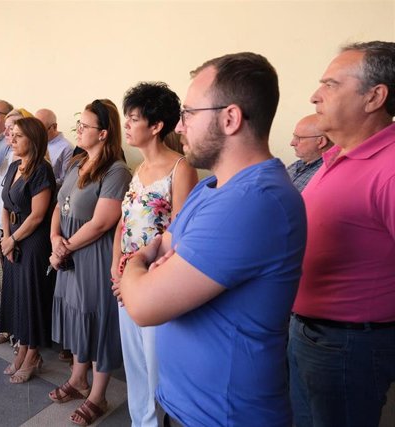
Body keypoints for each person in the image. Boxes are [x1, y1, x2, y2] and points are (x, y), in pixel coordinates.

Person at [119, 53, 306, 426]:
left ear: (230, 118)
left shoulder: (253, 200)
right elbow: (163, 247)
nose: (181, 126)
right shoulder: (210, 188)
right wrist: (152, 259)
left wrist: (139, 263)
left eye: (189, 113)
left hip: (223, 415)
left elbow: (142, 304)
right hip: (185, 406)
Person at [288, 41, 395, 427]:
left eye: (331, 85)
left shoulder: (390, 168)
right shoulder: (338, 155)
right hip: (309, 332)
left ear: (374, 97)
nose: (316, 95)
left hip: (349, 345)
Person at [110, 82, 198, 427]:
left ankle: (157, 422)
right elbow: (123, 222)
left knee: (155, 363)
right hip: (126, 279)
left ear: (157, 126)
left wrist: (141, 277)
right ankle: (140, 422)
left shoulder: (181, 169)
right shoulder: (137, 170)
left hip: (155, 280)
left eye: (133, 119)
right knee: (133, 364)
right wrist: (117, 272)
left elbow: (179, 234)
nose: (127, 125)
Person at [49, 99, 132, 426]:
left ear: (104, 133)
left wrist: (64, 247)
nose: (78, 130)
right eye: (78, 124)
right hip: (68, 252)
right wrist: (55, 240)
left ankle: (98, 395)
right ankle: (78, 379)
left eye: (85, 126)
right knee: (75, 314)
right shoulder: (75, 162)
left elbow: (101, 222)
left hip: (93, 255)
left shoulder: (117, 171)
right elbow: (59, 205)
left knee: (96, 320)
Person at [0, 117, 56, 383]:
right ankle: (22, 347)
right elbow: (6, 206)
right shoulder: (14, 166)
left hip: (33, 241)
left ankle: (32, 353)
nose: (11, 138)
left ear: (33, 140)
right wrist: (6, 237)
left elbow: (37, 216)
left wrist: (13, 240)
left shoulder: (41, 170)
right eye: (12, 134)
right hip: (13, 237)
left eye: (18, 135)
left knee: (31, 298)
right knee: (17, 295)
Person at [0, 108, 33, 345]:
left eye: (15, 127)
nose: (9, 132)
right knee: (3, 282)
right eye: (7, 128)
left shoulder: (33, 161)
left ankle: (20, 333)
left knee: (19, 285)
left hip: (21, 232)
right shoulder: (8, 156)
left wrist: (10, 237)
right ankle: (5, 325)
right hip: (2, 226)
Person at [286, 114, 333, 192]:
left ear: (321, 142)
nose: (292, 143)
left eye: (299, 138)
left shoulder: (326, 176)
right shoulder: (296, 165)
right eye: (294, 136)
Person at [35, 108, 73, 187]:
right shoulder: (35, 143)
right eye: (36, 129)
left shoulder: (67, 148)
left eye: (42, 130)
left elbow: (65, 180)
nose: (38, 134)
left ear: (54, 127)